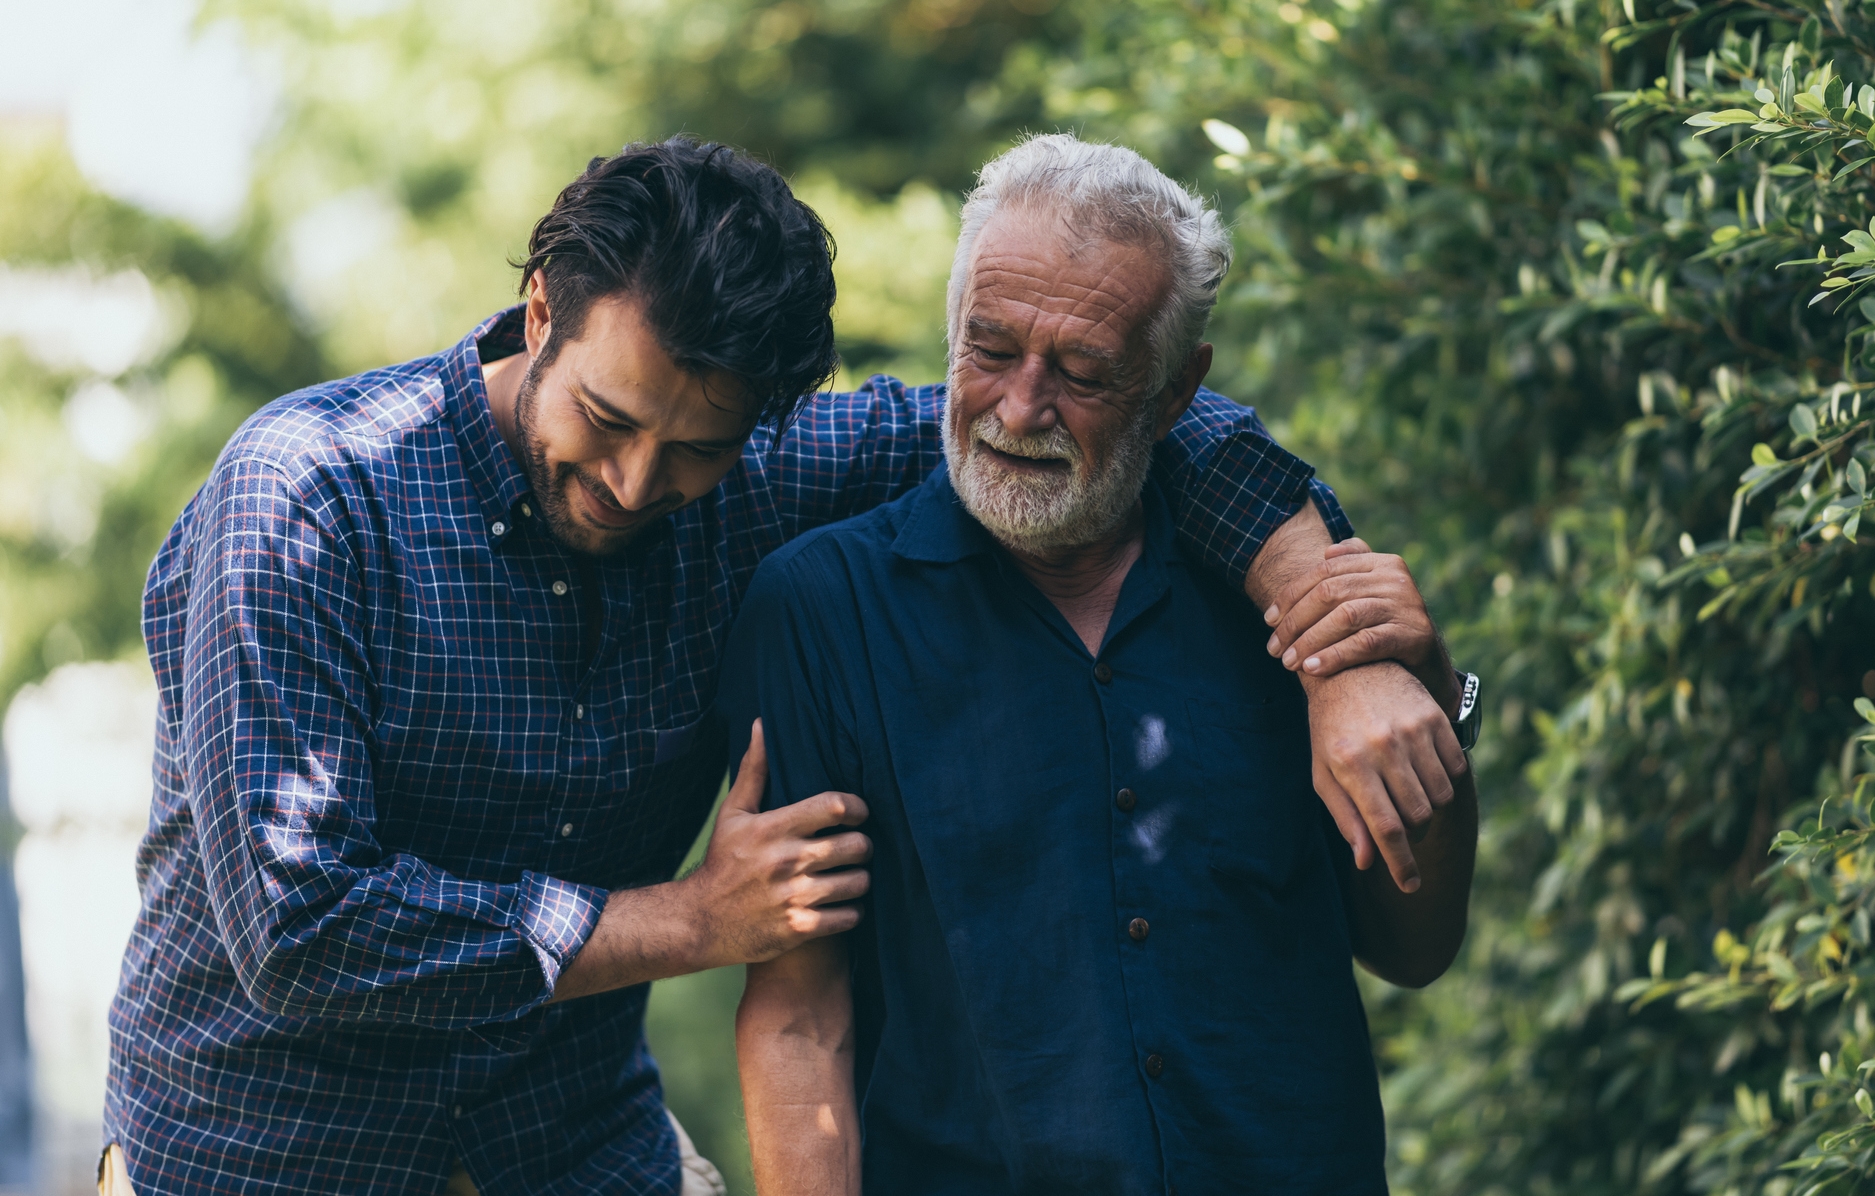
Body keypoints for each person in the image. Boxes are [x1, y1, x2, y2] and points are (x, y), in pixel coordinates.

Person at [103, 137, 1458, 1195]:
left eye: (694, 448)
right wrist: (693, 920)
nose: (635, 483)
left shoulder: (759, 472)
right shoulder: (306, 502)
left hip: (569, 1158)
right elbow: (298, 927)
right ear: (537, 315)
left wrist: (1332, 635)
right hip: (264, 1154)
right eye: (605, 418)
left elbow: (1143, 419)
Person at [726, 134, 1480, 1195]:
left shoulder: (1295, 593)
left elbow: (1414, 945)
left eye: (1082, 373)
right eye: (988, 350)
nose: (1020, 408)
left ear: (1177, 393)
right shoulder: (821, 608)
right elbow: (804, 1012)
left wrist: (1424, 696)